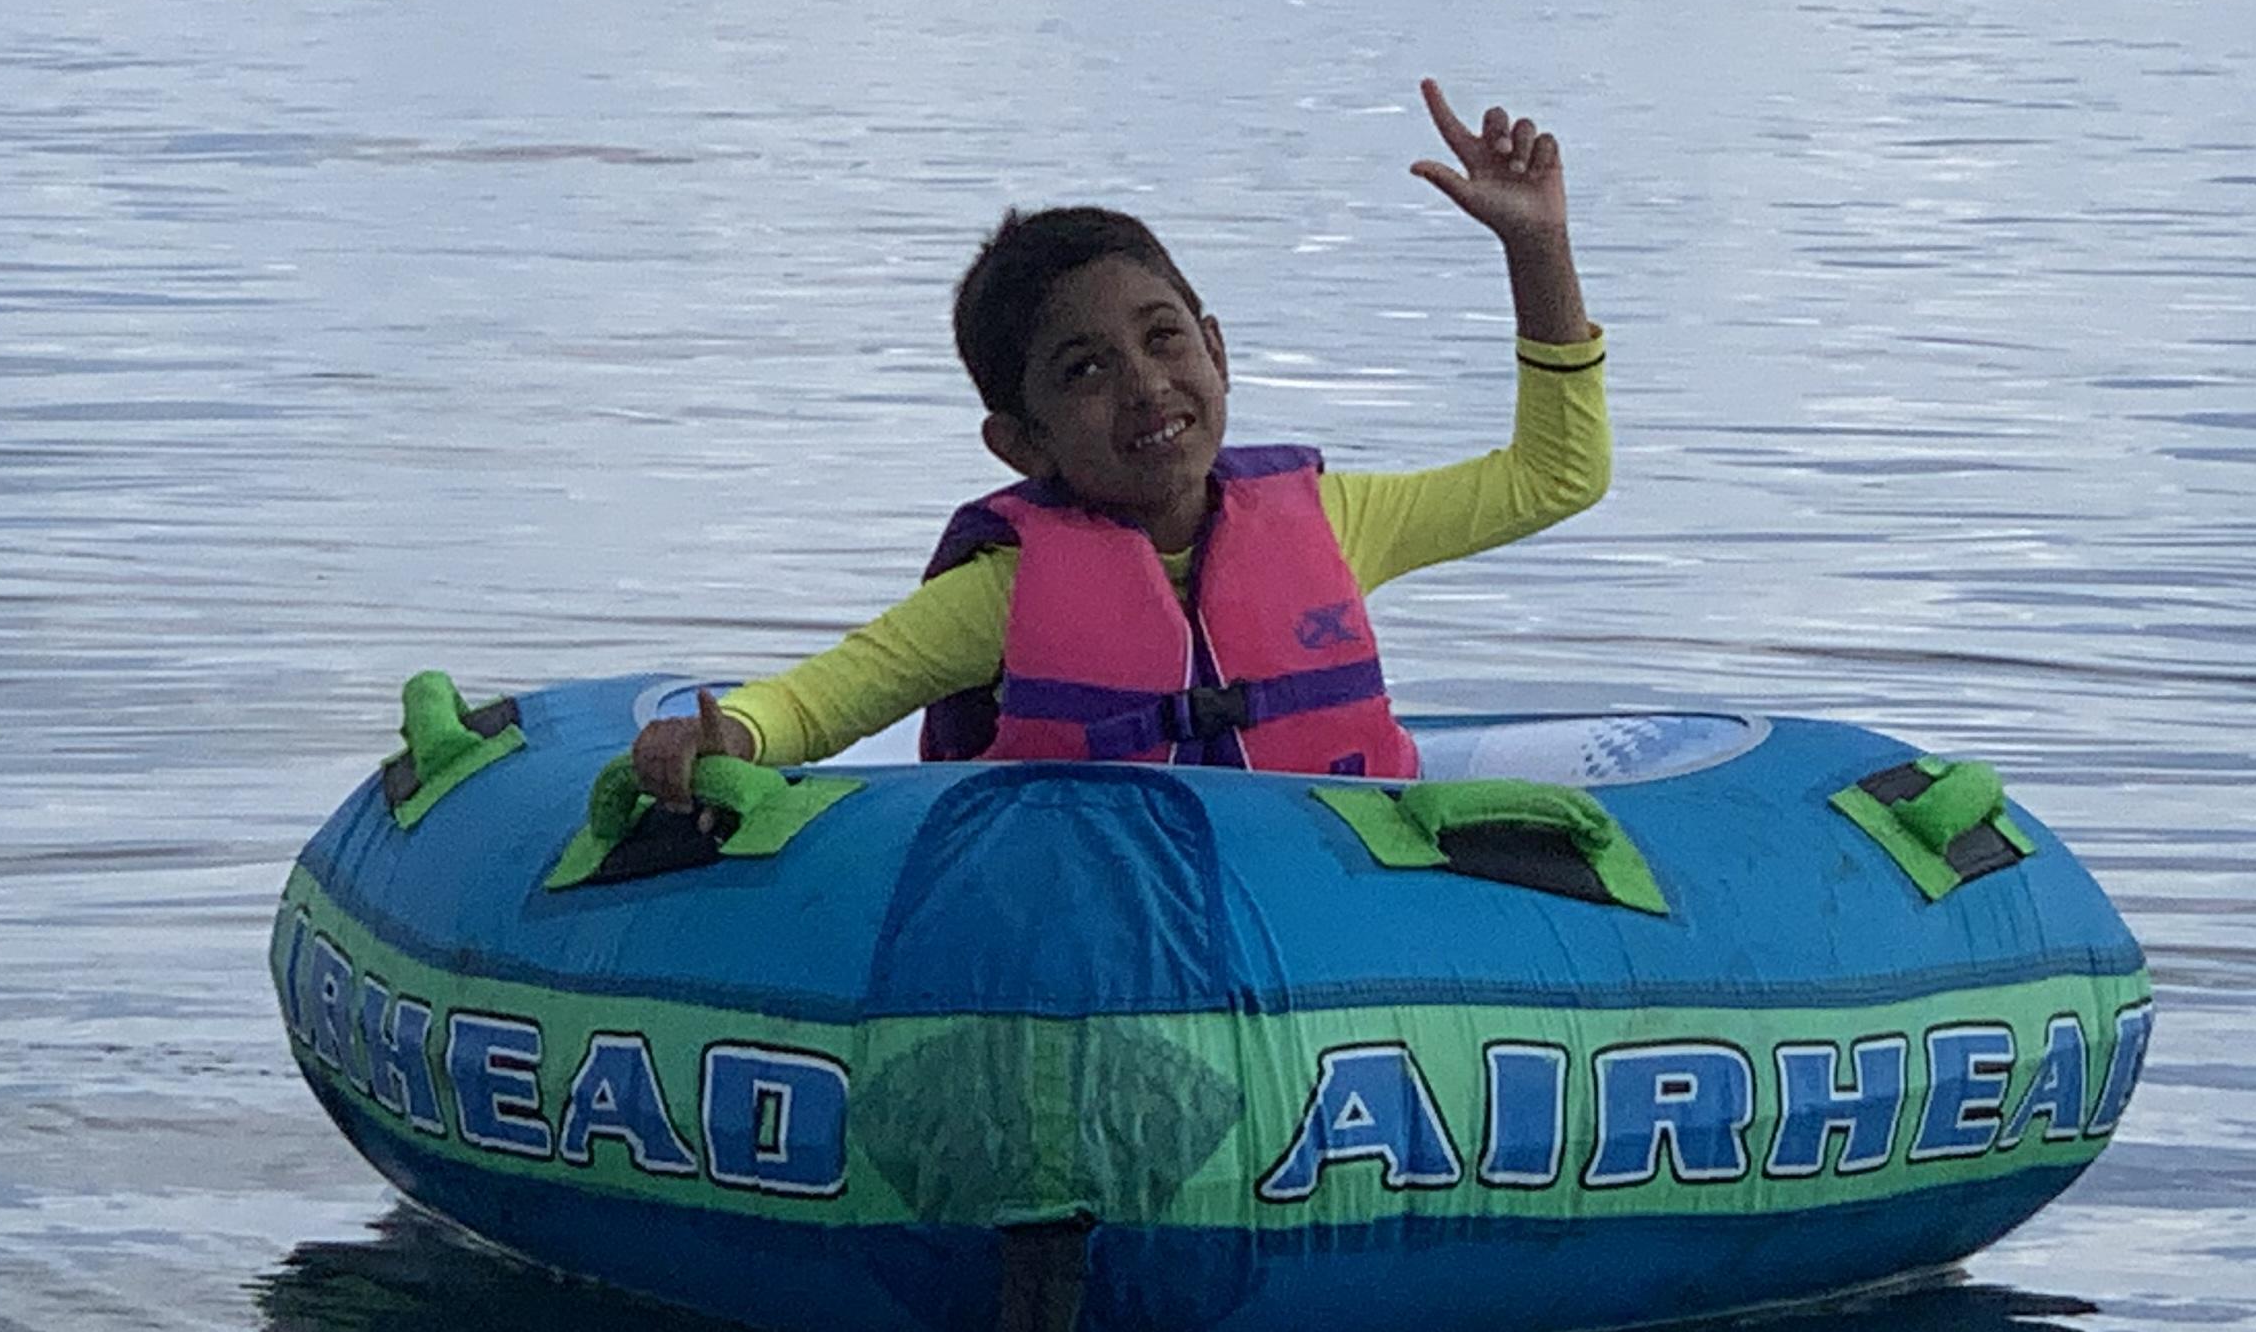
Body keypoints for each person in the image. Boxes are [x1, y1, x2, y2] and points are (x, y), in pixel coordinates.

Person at [629, 78, 1606, 798]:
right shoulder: (1001, 597)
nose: (1145, 386)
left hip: (1320, 920)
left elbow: (1555, 477)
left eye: (1163, 339)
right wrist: (733, 736)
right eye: (1084, 370)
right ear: (1019, 443)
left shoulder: (1338, 521)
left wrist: (1537, 249)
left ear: (1216, 353)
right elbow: (822, 700)